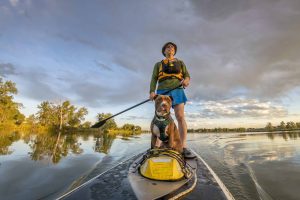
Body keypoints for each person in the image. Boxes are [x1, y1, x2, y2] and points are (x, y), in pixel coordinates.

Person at [149, 42, 195, 158]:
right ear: (164, 51)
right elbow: (154, 79)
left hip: (177, 90)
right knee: (160, 118)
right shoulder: (158, 64)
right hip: (162, 91)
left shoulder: (181, 63)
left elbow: (187, 76)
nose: (170, 49)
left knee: (180, 117)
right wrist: (151, 91)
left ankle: (183, 147)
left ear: (174, 51)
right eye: (168, 47)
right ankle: (157, 146)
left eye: (172, 48)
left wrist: (186, 80)